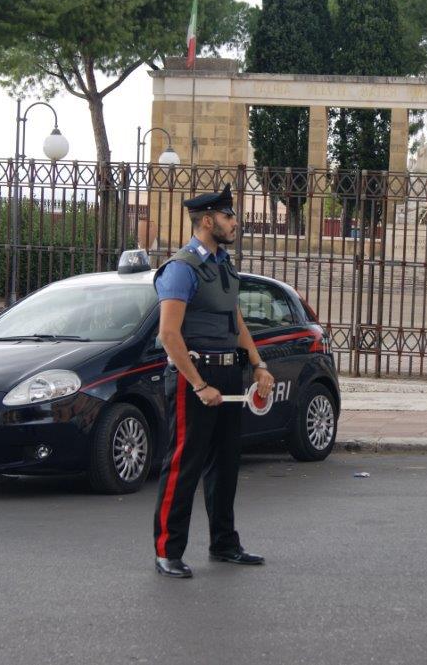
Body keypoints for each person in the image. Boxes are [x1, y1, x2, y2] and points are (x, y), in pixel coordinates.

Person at [151, 184, 275, 579]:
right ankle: (167, 551)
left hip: (228, 371)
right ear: (207, 221)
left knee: (226, 464)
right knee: (184, 465)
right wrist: (200, 385)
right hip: (195, 375)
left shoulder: (224, 265)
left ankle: (224, 544)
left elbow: (234, 319)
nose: (235, 222)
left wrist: (258, 364)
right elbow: (169, 335)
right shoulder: (181, 268)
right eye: (227, 216)